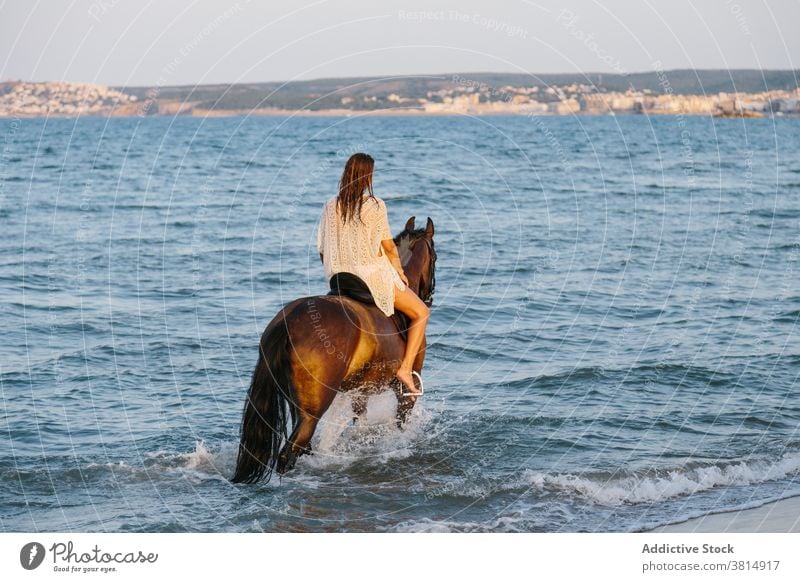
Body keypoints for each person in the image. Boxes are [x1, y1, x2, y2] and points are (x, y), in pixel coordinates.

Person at [316, 153, 429, 397]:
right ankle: (406, 370)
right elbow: (388, 247)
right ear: (367, 178)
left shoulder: (329, 205)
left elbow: (322, 249)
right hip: (370, 278)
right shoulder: (375, 205)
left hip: (338, 278)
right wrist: (399, 272)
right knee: (421, 312)